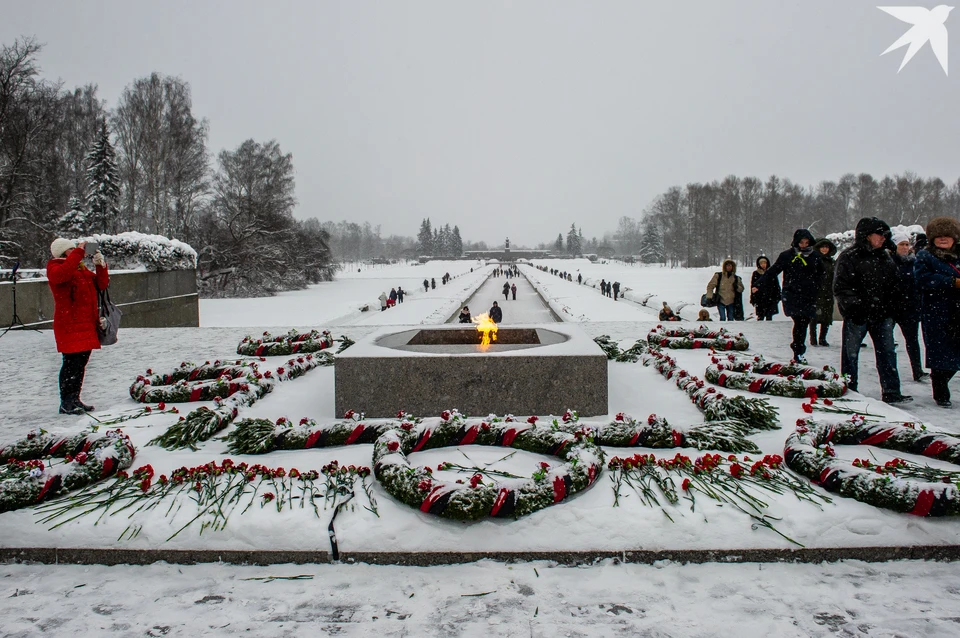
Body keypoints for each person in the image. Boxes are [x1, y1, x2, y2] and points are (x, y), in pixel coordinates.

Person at [834, 217, 911, 404]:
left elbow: (895, 285)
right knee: (850, 355)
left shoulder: (885, 257)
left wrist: (891, 308)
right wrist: (855, 307)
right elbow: (841, 288)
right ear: (867, 235)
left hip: (882, 314)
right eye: (880, 235)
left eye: (886, 235)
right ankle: (849, 389)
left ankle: (891, 391)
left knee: (887, 353)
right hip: (857, 315)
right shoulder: (849, 257)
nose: (884, 238)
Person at [46, 238, 109, 415]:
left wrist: (100, 265)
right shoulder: (55, 267)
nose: (76, 251)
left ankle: (74, 399)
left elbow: (101, 284)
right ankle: (66, 402)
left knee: (80, 364)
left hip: (86, 324)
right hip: (70, 325)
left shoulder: (80, 269)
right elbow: (62, 276)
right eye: (71, 249)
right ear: (63, 252)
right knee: (71, 365)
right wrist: (79, 252)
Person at [915, 217, 960, 407]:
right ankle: (940, 391)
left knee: (955, 352)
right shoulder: (925, 256)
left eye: (947, 236)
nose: (943, 239)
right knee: (940, 353)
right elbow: (922, 278)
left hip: (958, 312)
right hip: (936, 311)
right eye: (938, 236)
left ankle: (941, 381)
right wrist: (950, 282)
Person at [760, 229, 825, 363]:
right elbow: (774, 270)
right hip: (792, 295)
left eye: (807, 242)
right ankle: (798, 350)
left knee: (804, 322)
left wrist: (816, 287)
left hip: (808, 295)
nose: (804, 245)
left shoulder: (815, 256)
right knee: (799, 322)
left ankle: (798, 349)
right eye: (801, 242)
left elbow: (822, 274)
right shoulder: (787, 256)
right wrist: (759, 284)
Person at [891, 231, 926, 382]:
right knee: (886, 343)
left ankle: (917, 370)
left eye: (906, 244)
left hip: (910, 308)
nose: (905, 247)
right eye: (901, 245)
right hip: (891, 308)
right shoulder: (889, 262)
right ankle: (890, 372)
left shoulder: (914, 262)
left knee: (912, 341)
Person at [810, 239, 838, 346]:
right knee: (814, 317)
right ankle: (813, 338)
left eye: (826, 247)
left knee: (826, 317)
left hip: (828, 292)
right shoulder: (814, 260)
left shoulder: (832, 262)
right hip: (816, 292)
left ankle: (823, 338)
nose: (825, 249)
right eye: (822, 247)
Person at [750, 256, 780, 321]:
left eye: (764, 263)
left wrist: (777, 295)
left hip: (770, 297)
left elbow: (776, 285)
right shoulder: (756, 273)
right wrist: (753, 298)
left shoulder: (771, 273)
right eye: (761, 263)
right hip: (760, 298)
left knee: (769, 316)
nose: (763, 265)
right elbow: (753, 286)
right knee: (760, 316)